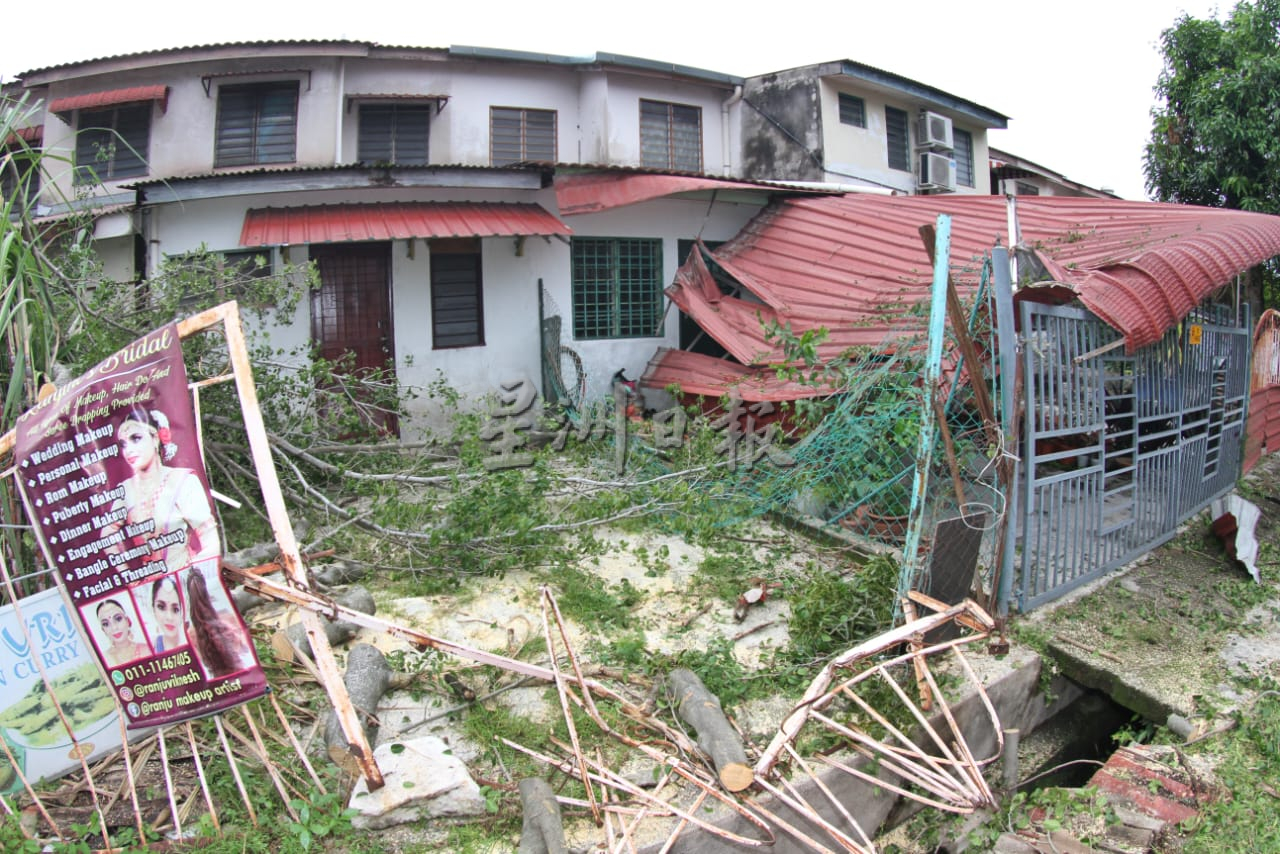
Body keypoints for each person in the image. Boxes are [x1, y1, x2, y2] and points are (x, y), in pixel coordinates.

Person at [107, 406, 220, 573]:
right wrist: (128, 576)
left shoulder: (182, 480)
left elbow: (209, 536)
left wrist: (195, 574)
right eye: (123, 444)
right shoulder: (125, 490)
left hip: (185, 577)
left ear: (155, 439)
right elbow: (107, 534)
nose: (128, 450)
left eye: (136, 438)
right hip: (149, 589)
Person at [185, 568, 254, 679]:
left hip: (218, 680)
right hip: (240, 673)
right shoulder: (227, 617)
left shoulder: (191, 632)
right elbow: (245, 647)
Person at [96, 599, 150, 667]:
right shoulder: (104, 659)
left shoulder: (146, 649)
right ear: (103, 630)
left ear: (127, 621)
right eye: (106, 624)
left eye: (118, 619)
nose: (114, 627)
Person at [150, 575, 185, 653]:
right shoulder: (151, 646)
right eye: (161, 607)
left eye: (175, 610)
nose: (169, 617)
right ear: (153, 609)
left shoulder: (192, 641)